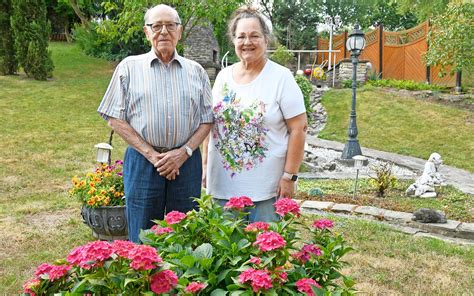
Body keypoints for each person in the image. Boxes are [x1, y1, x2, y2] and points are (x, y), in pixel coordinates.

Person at [97, 4, 213, 243]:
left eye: (170, 25)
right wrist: (152, 155)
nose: (163, 31)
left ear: (179, 31)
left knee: (186, 234)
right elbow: (114, 118)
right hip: (143, 162)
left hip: (186, 163)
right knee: (142, 236)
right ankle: (144, 280)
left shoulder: (197, 72)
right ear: (146, 32)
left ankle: (181, 281)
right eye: (156, 26)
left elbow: (207, 119)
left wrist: (184, 152)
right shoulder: (129, 68)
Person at [203, 6, 307, 222]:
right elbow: (211, 124)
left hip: (266, 192)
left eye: (254, 36)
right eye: (241, 36)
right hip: (222, 188)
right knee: (224, 254)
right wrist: (204, 166)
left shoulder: (281, 77)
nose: (247, 42)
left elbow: (299, 128)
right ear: (233, 40)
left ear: (266, 40)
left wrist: (289, 176)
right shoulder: (223, 77)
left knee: (263, 252)